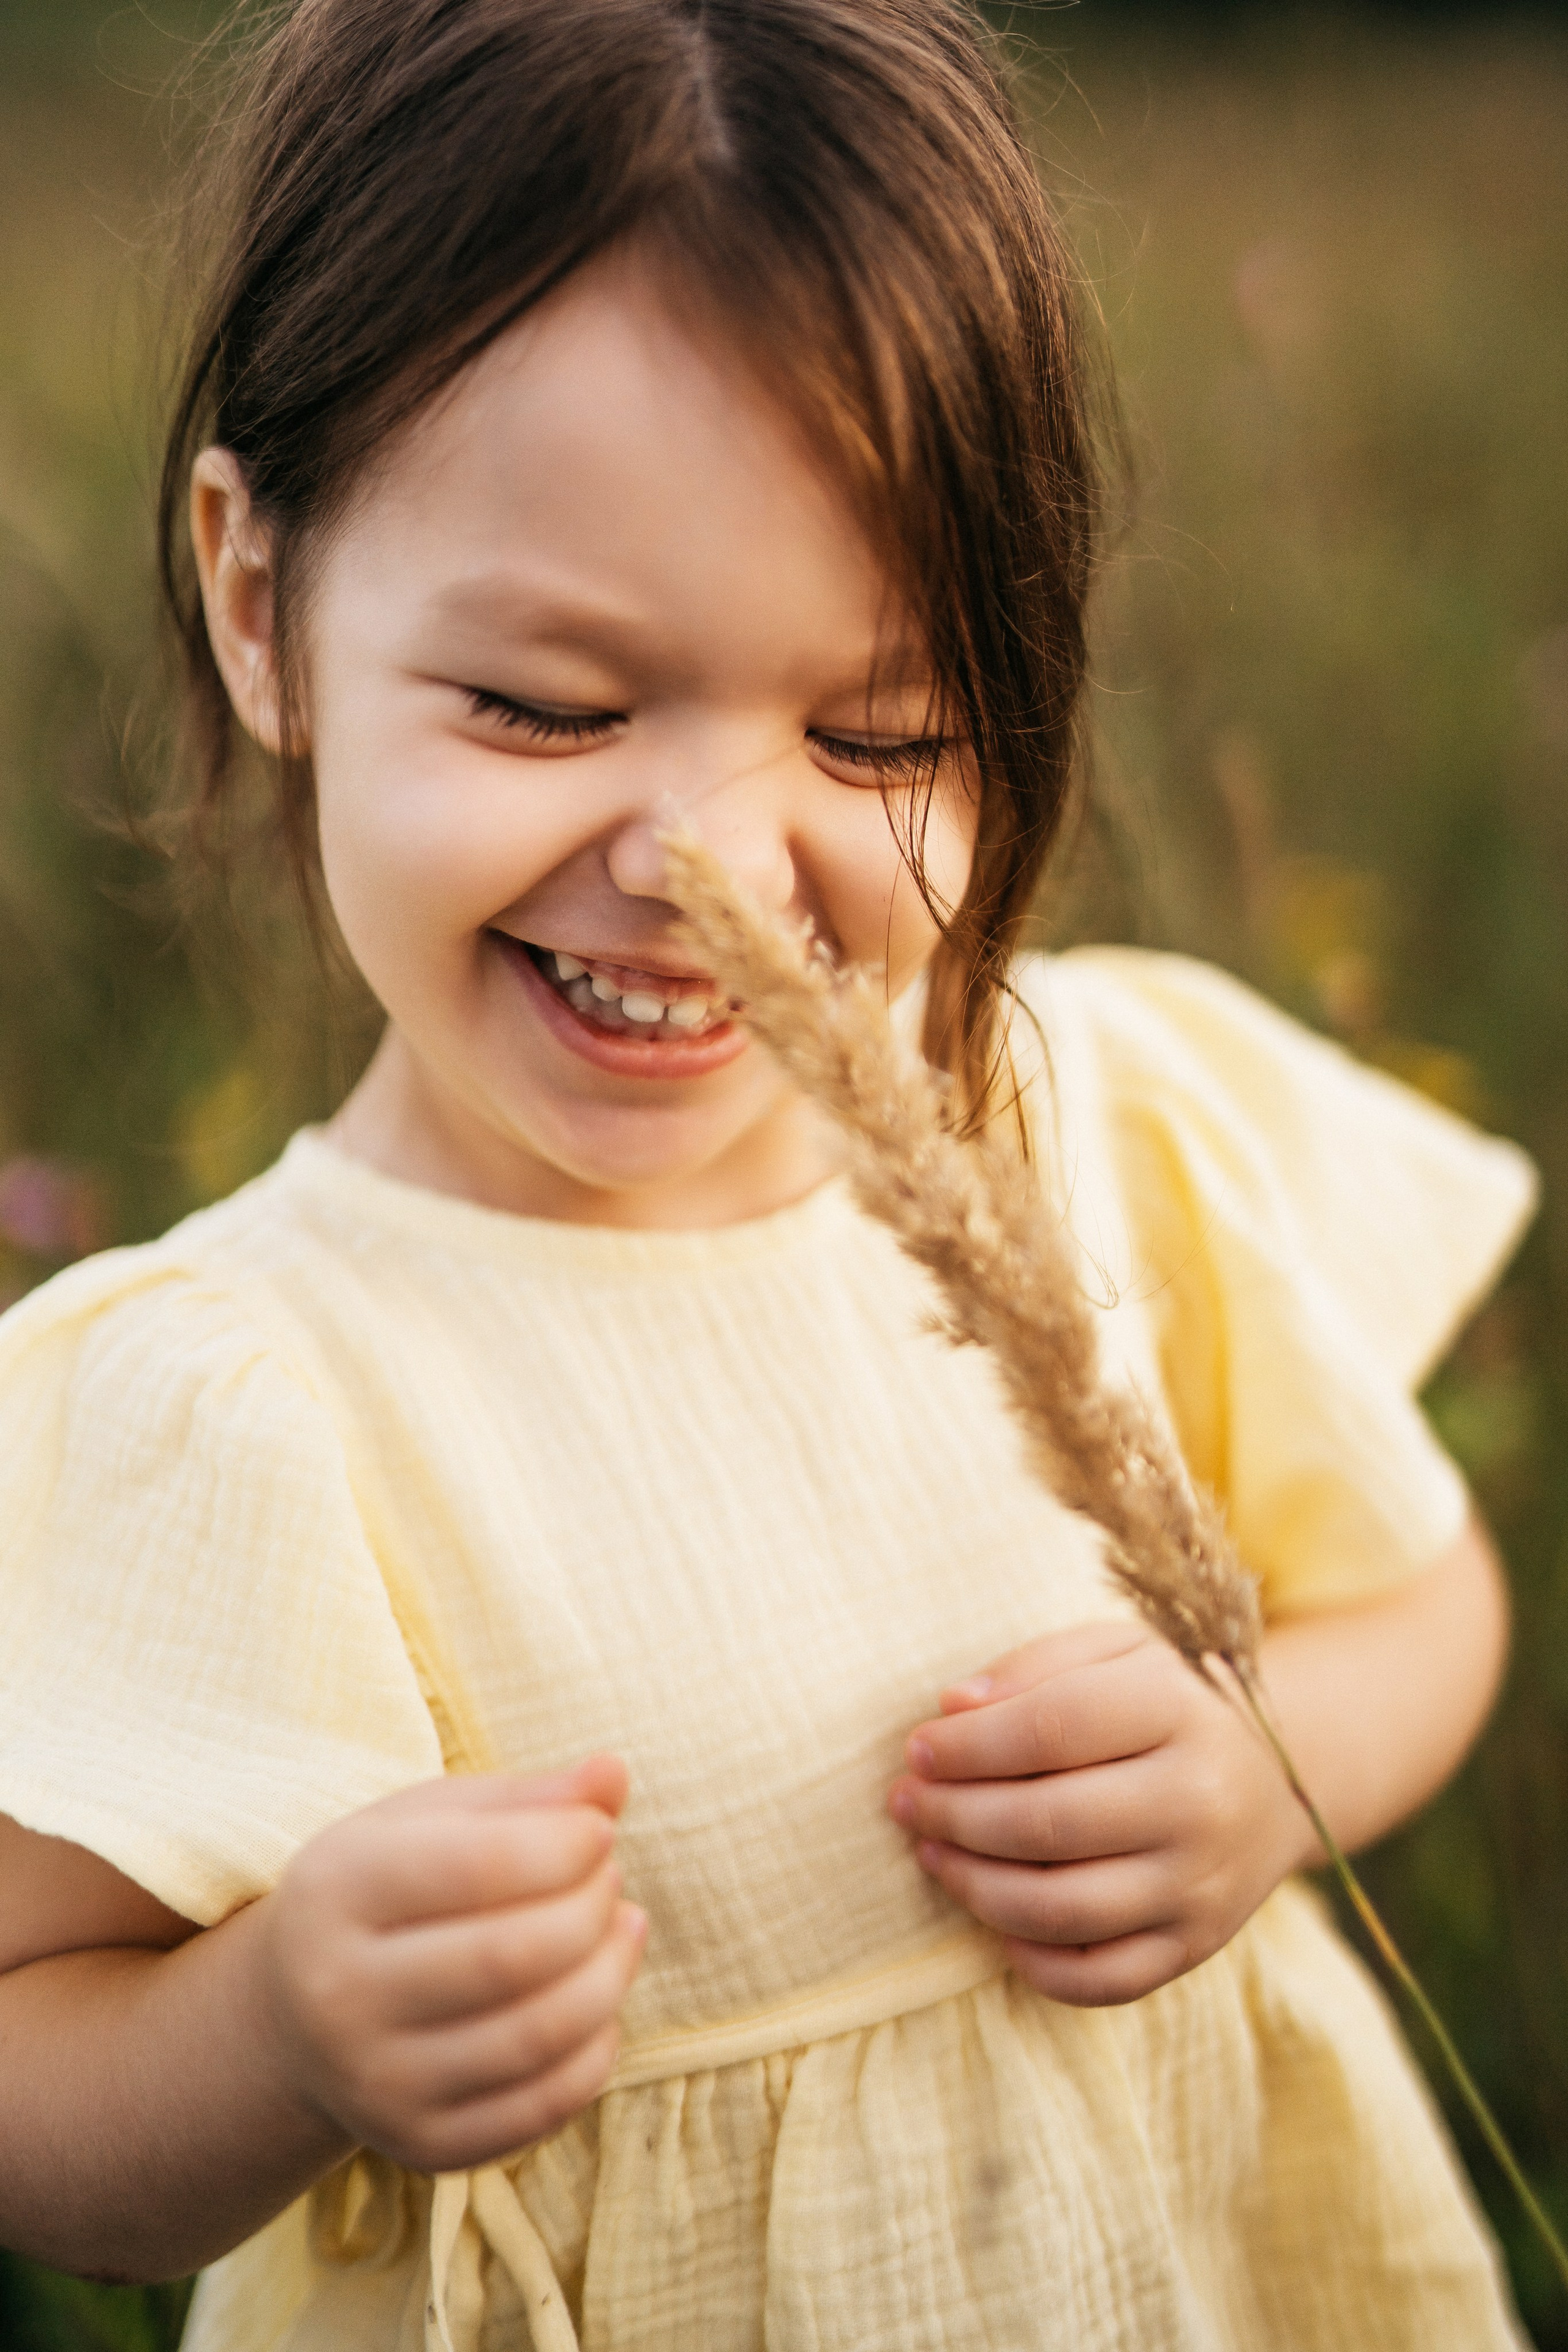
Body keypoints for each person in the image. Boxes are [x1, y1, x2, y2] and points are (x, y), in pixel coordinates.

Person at [0, 4, 1539, 2346]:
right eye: (544, 705)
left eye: (883, 730)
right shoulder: (241, 1393)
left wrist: (1264, 1771)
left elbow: (1431, 1606)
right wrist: (272, 2035)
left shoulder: (1088, 1134)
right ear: (257, 601)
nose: (710, 859)